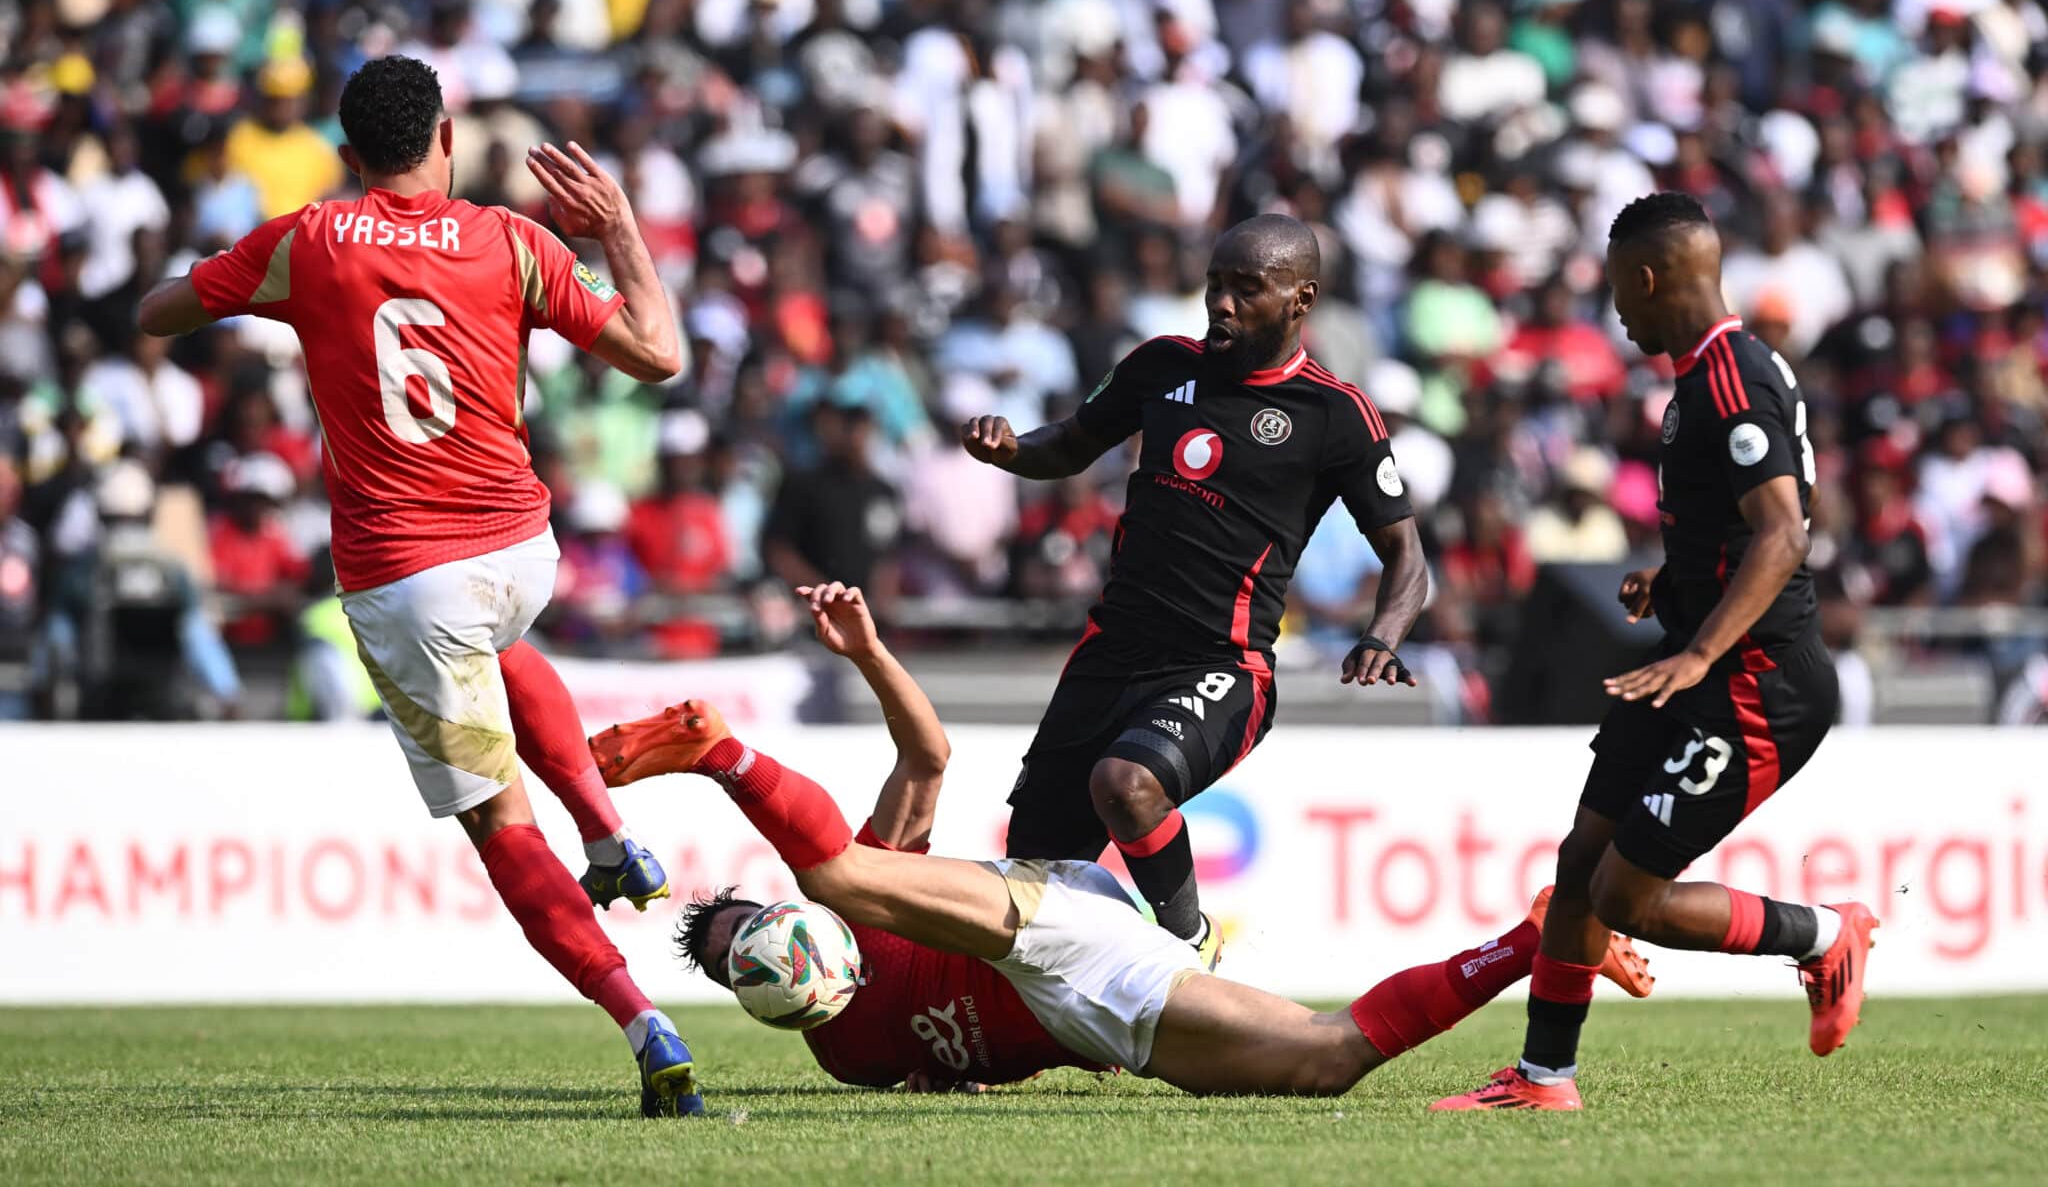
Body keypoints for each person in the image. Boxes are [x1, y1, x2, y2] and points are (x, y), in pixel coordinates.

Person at [134, 56, 704, 1118]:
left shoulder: (308, 241)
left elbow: (163, 313)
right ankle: (610, 837)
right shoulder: (514, 239)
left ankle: (644, 1024)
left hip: (408, 575)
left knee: (498, 824)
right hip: (522, 552)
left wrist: (232, 286)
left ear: (350, 156)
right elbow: (659, 355)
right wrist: (619, 226)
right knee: (499, 648)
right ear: (443, 138)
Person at [595, 581, 1650, 1094]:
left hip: (1046, 929)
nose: (760, 943)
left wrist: (870, 652)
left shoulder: (846, 907)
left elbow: (924, 761)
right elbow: (958, 1073)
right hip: (1097, 1013)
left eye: (752, 921)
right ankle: (1543, 938)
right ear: (757, 995)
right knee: (1325, 1061)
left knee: (847, 874)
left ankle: (714, 748)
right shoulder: (843, 1052)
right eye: (744, 958)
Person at [1433, 192, 1878, 1114]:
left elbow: (1786, 535)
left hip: (1755, 682)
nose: (1616, 312)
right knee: (1578, 861)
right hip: (1695, 651)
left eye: (1617, 290)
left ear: (1645, 277)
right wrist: (1672, 588)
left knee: (1626, 897)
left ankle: (1824, 931)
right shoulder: (1708, 380)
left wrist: (1702, 648)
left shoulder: (1731, 379)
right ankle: (1545, 1078)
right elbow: (1761, 523)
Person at [958, 214, 1429, 960]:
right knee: (1034, 877)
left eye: (1248, 289)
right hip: (1109, 653)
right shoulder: (1159, 365)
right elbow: (1072, 443)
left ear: (1300, 300)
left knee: (1126, 784)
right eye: (1215, 285)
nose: (1223, 304)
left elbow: (1407, 554)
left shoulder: (1334, 413)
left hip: (1221, 663)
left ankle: (1189, 946)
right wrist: (1012, 448)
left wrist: (1383, 635)